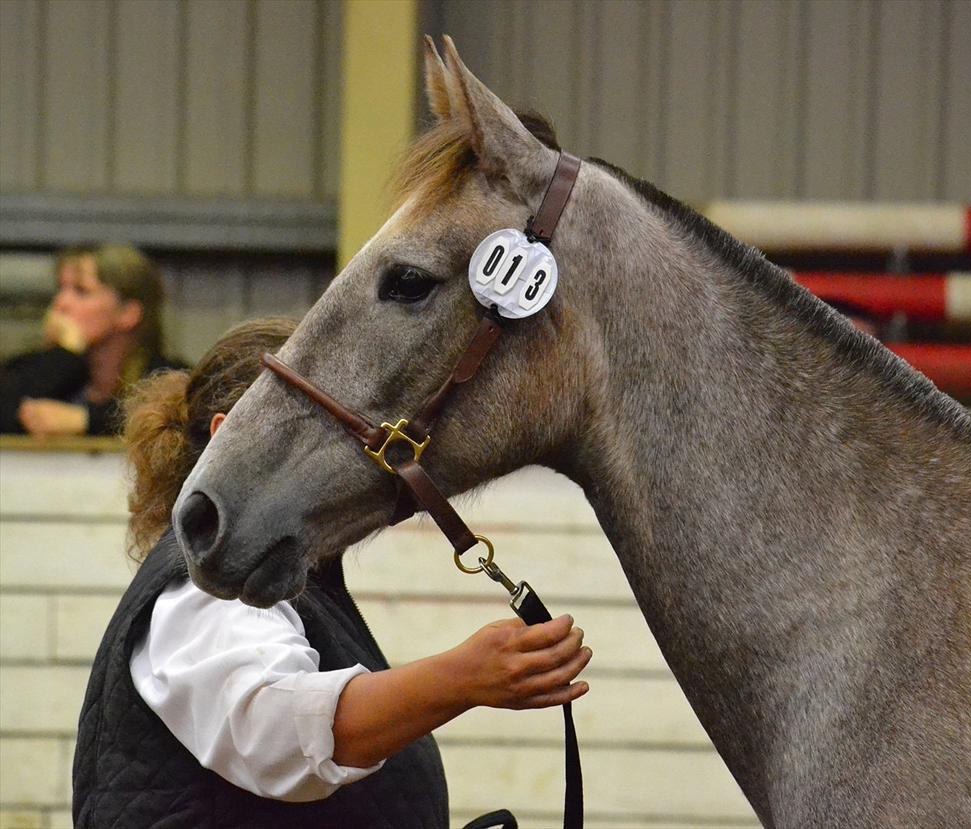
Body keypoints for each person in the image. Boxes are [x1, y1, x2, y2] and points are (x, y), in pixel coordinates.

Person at [73, 318, 591, 828]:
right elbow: (276, 730)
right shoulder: (211, 586)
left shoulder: (279, 577)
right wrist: (462, 678)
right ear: (230, 437)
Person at [0, 244, 182, 437]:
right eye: (60, 289)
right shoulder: (36, 367)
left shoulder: (168, 378)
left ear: (128, 313)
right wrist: (65, 355)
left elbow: (171, 425)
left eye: (81, 291)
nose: (60, 303)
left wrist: (85, 420)